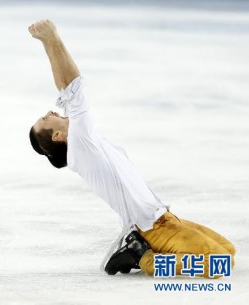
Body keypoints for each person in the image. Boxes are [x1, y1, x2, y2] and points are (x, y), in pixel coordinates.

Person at [27, 19, 235, 278]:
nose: (50, 111)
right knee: (220, 263)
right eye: (46, 118)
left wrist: (50, 42)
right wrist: (51, 39)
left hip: (166, 218)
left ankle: (138, 248)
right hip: (153, 227)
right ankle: (142, 256)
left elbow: (66, 90)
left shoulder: (85, 142)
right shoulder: (81, 145)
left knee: (229, 250)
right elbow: (72, 85)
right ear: (58, 136)